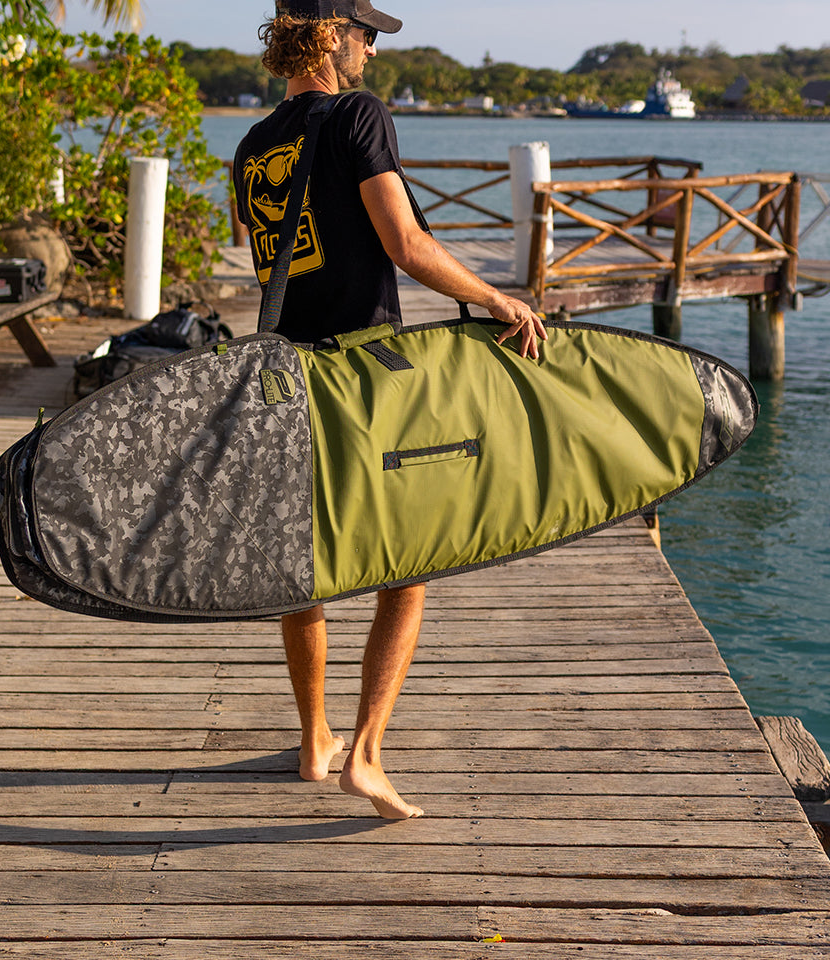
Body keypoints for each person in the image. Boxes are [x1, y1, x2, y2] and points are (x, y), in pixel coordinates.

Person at [233, 0, 547, 819]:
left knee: (306, 561)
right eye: (366, 32)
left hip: (284, 377)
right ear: (331, 33)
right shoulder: (359, 115)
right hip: (366, 376)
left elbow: (262, 252)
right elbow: (404, 245)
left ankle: (313, 741)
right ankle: (365, 756)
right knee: (409, 567)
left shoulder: (251, 144)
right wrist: (495, 299)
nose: (373, 50)